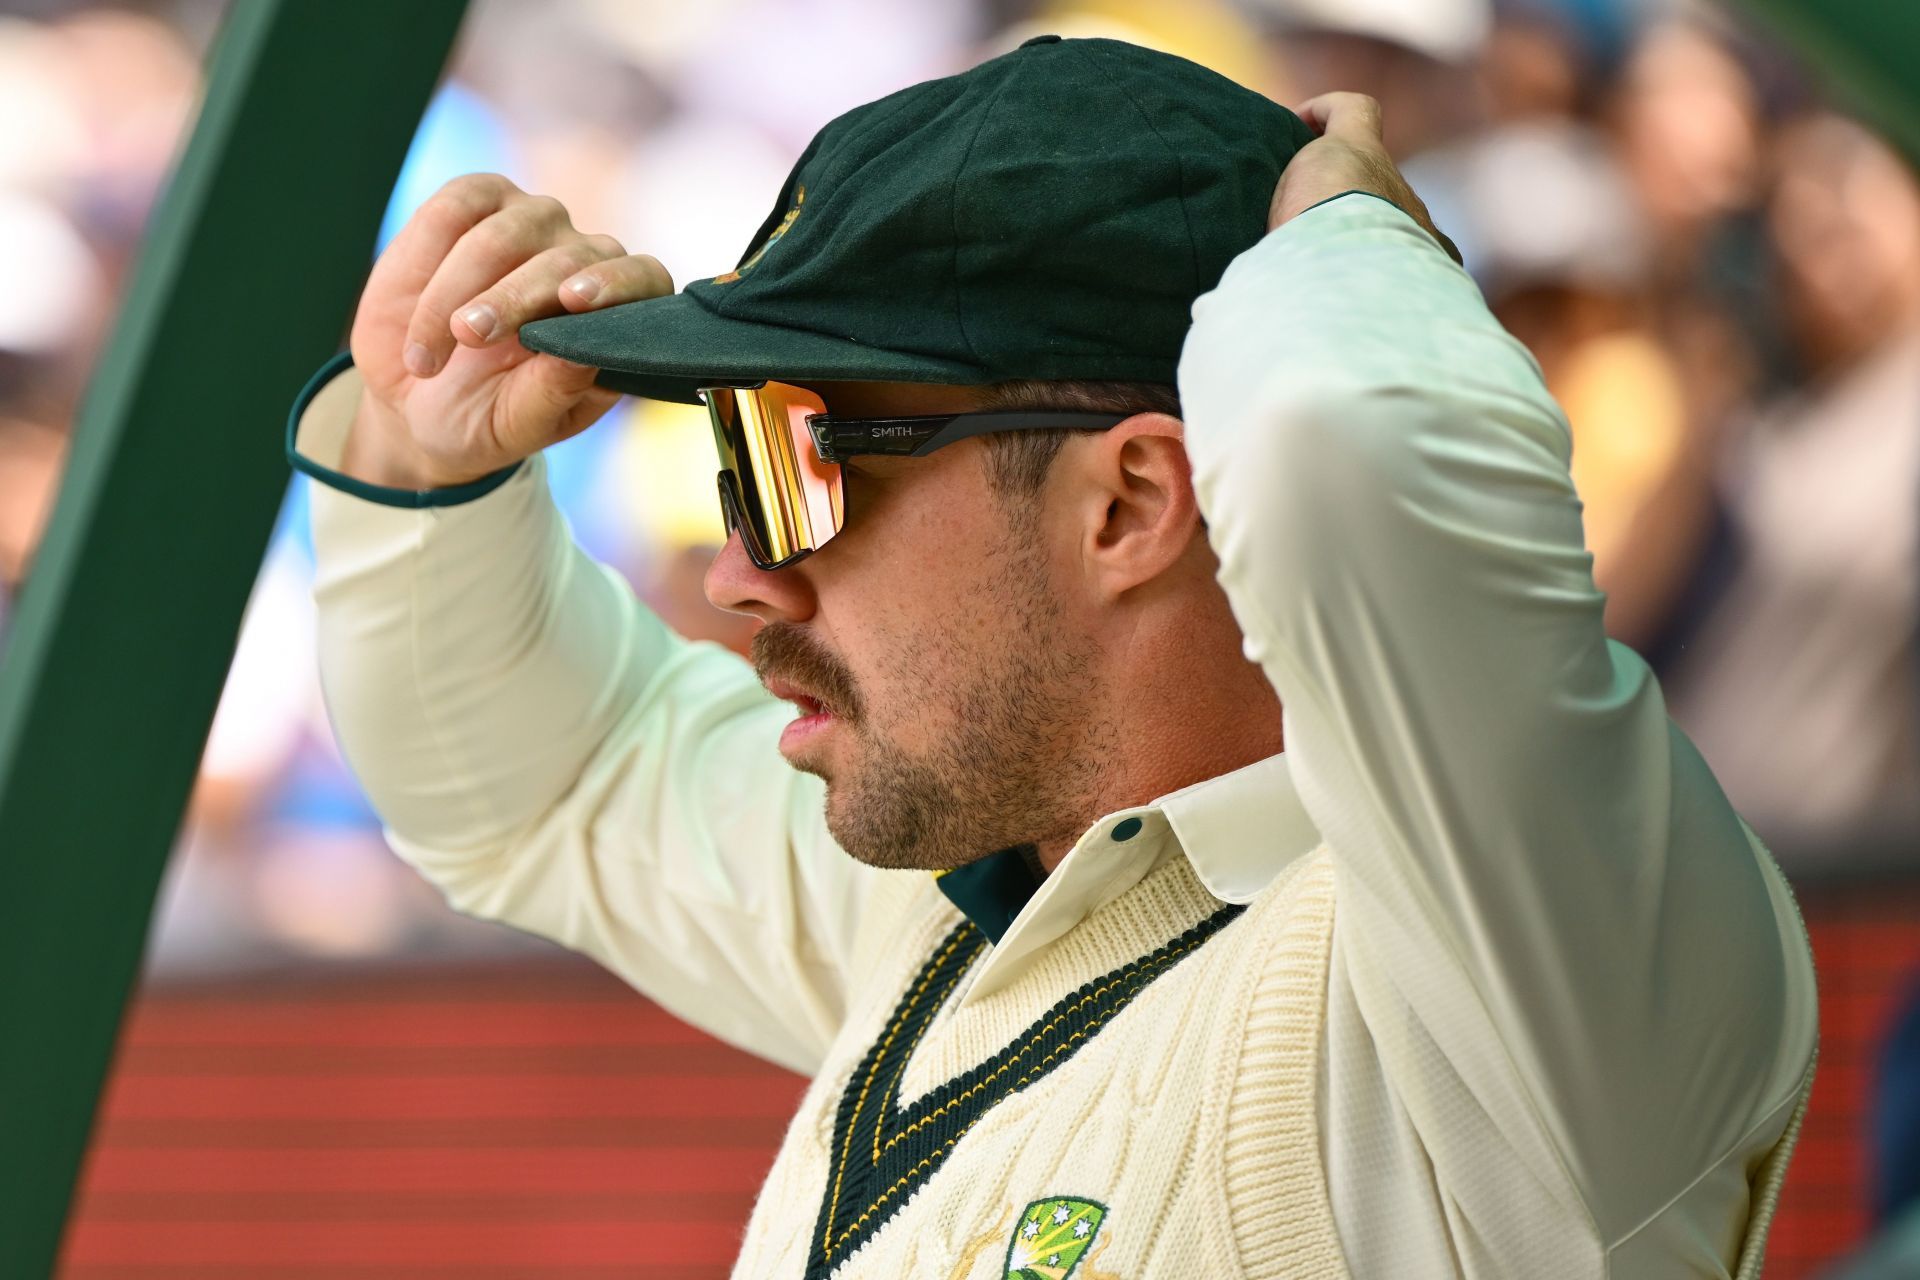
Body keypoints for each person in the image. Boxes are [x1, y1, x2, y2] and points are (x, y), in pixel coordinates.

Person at [289, 37, 1816, 1279]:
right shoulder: (971, 883)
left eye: (803, 456)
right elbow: (551, 786)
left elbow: (1340, 444)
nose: (740, 570)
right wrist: (429, 470)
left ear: (1132, 503)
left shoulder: (1512, 984)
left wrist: (1348, 226)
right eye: (740, 449)